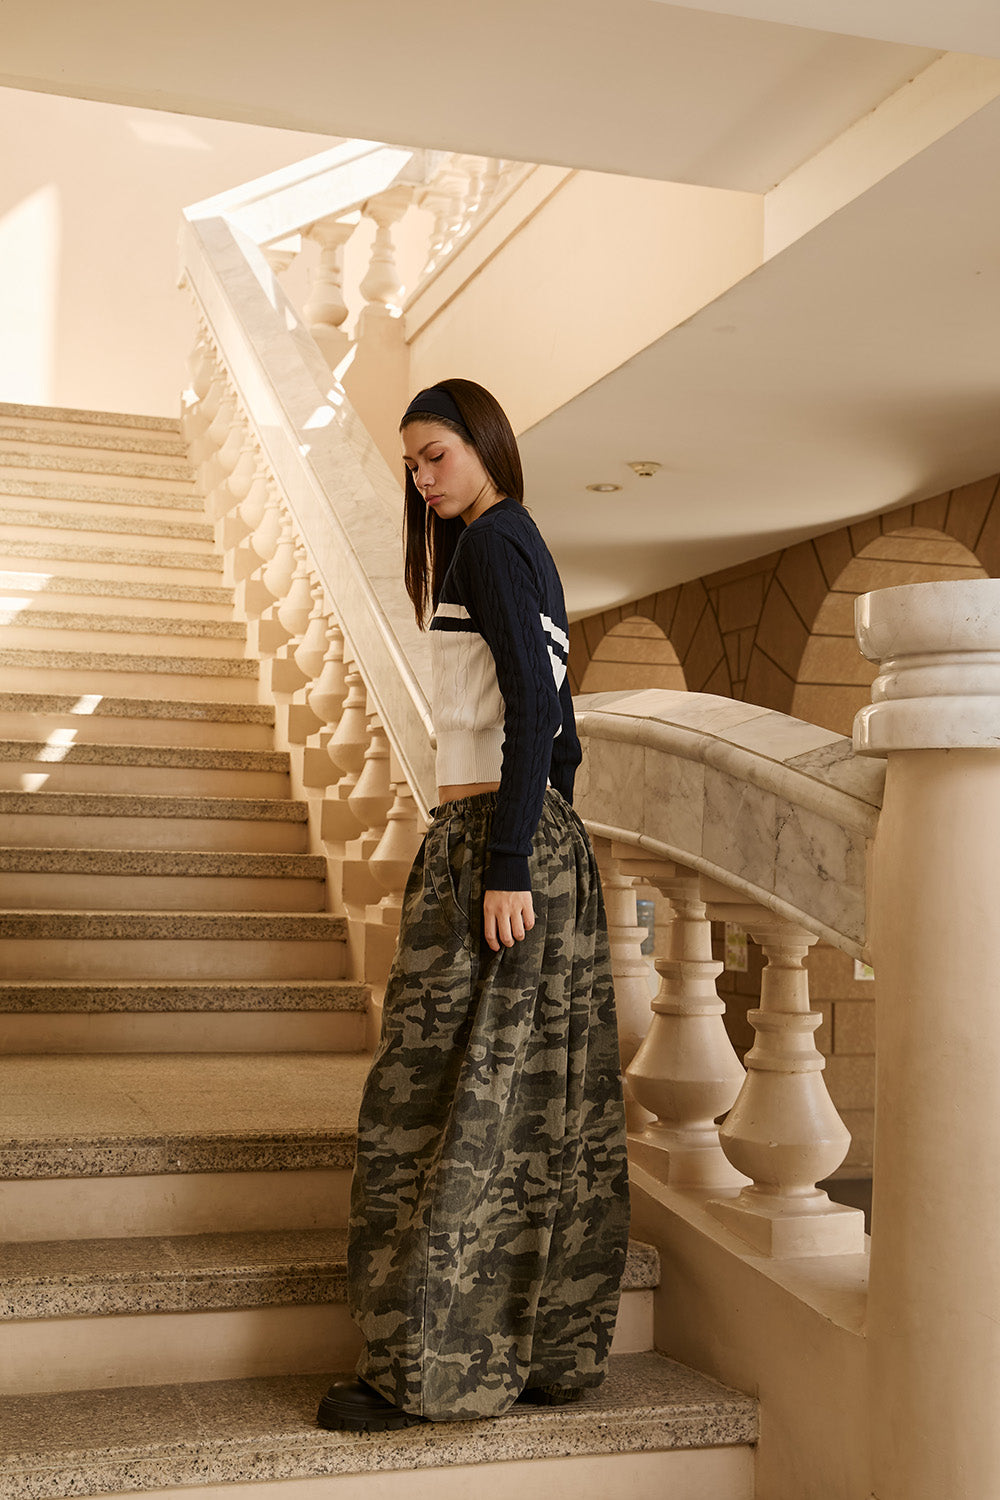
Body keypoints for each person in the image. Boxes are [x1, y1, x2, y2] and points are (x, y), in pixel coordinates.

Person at [317, 378, 629, 1432]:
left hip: (493, 844)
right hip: (528, 839)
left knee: (436, 1106)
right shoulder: (515, 542)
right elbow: (560, 725)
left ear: (485, 444)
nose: (421, 476)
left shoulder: (492, 544)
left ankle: (428, 1370)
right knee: (526, 1106)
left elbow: (538, 708)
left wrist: (505, 859)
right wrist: (542, 839)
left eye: (436, 453)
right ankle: (526, 1354)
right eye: (411, 461)